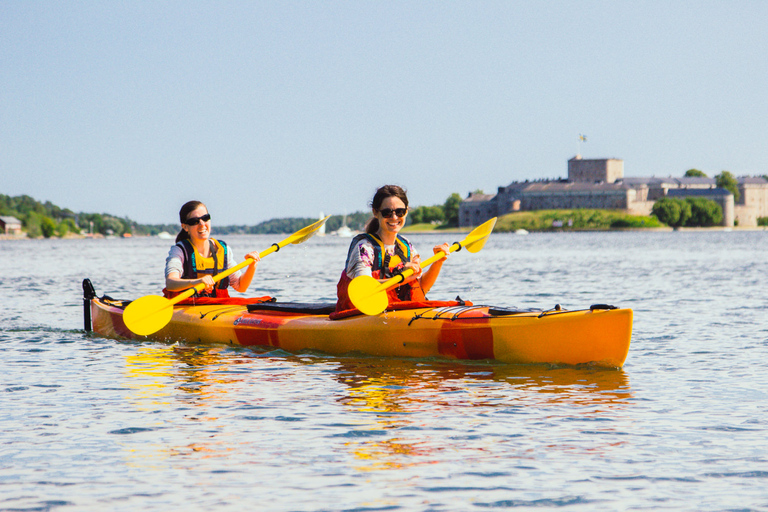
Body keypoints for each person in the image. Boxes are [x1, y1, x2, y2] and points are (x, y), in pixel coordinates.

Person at [335, 185, 451, 312]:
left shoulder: (406, 245)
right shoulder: (364, 248)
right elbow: (363, 289)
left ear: (406, 211)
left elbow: (422, 287)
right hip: (363, 315)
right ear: (375, 212)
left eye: (400, 211)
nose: (394, 217)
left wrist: (438, 262)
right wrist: (401, 278)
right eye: (387, 212)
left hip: (396, 313)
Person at [164, 200, 261, 298]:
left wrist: (252, 265)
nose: (202, 224)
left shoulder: (222, 249)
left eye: (205, 218)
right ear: (185, 227)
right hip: (187, 306)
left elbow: (241, 286)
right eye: (194, 221)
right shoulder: (179, 251)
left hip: (216, 306)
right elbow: (170, 283)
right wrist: (197, 282)